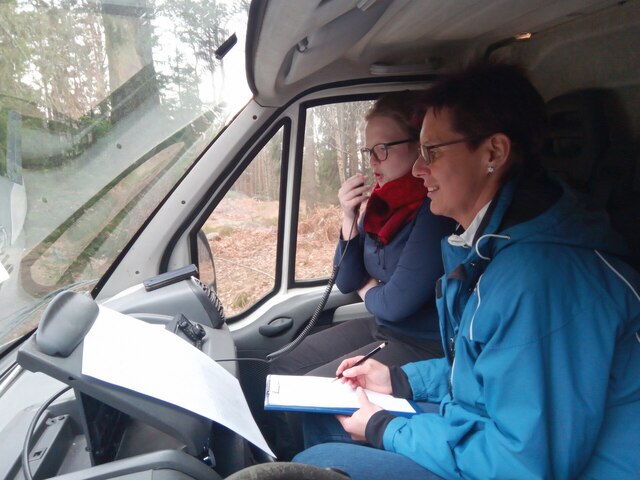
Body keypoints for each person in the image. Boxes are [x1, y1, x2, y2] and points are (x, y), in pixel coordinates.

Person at [292, 61, 640, 479]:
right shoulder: (490, 247)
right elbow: (486, 372)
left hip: (532, 464)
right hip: (490, 431)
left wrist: (384, 427)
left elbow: (520, 465)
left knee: (314, 461)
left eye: (432, 152)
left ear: (494, 152)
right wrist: (399, 382)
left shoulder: (539, 277)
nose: (419, 169)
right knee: (325, 418)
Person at [267, 91, 455, 459]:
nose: (372, 162)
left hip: (422, 342)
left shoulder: (435, 211)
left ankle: (304, 464)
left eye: (382, 149)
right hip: (382, 327)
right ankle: (283, 459)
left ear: (418, 147)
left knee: (311, 392)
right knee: (282, 363)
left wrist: (369, 288)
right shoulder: (382, 204)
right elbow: (347, 278)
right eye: (368, 151)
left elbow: (396, 302)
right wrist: (348, 217)